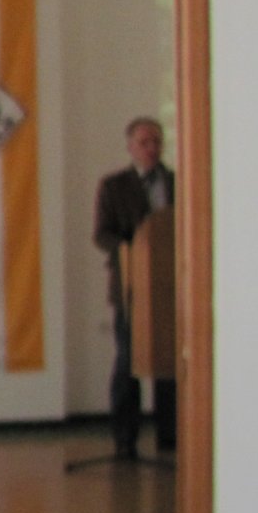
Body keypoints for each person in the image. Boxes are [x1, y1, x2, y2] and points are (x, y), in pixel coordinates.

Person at [94, 115, 176, 457]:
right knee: (128, 360)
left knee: (171, 361)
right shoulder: (114, 186)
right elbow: (102, 235)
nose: (152, 148)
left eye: (156, 141)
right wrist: (132, 248)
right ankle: (125, 440)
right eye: (144, 142)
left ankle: (171, 436)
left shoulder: (177, 182)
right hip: (131, 288)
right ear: (130, 147)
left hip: (170, 287)